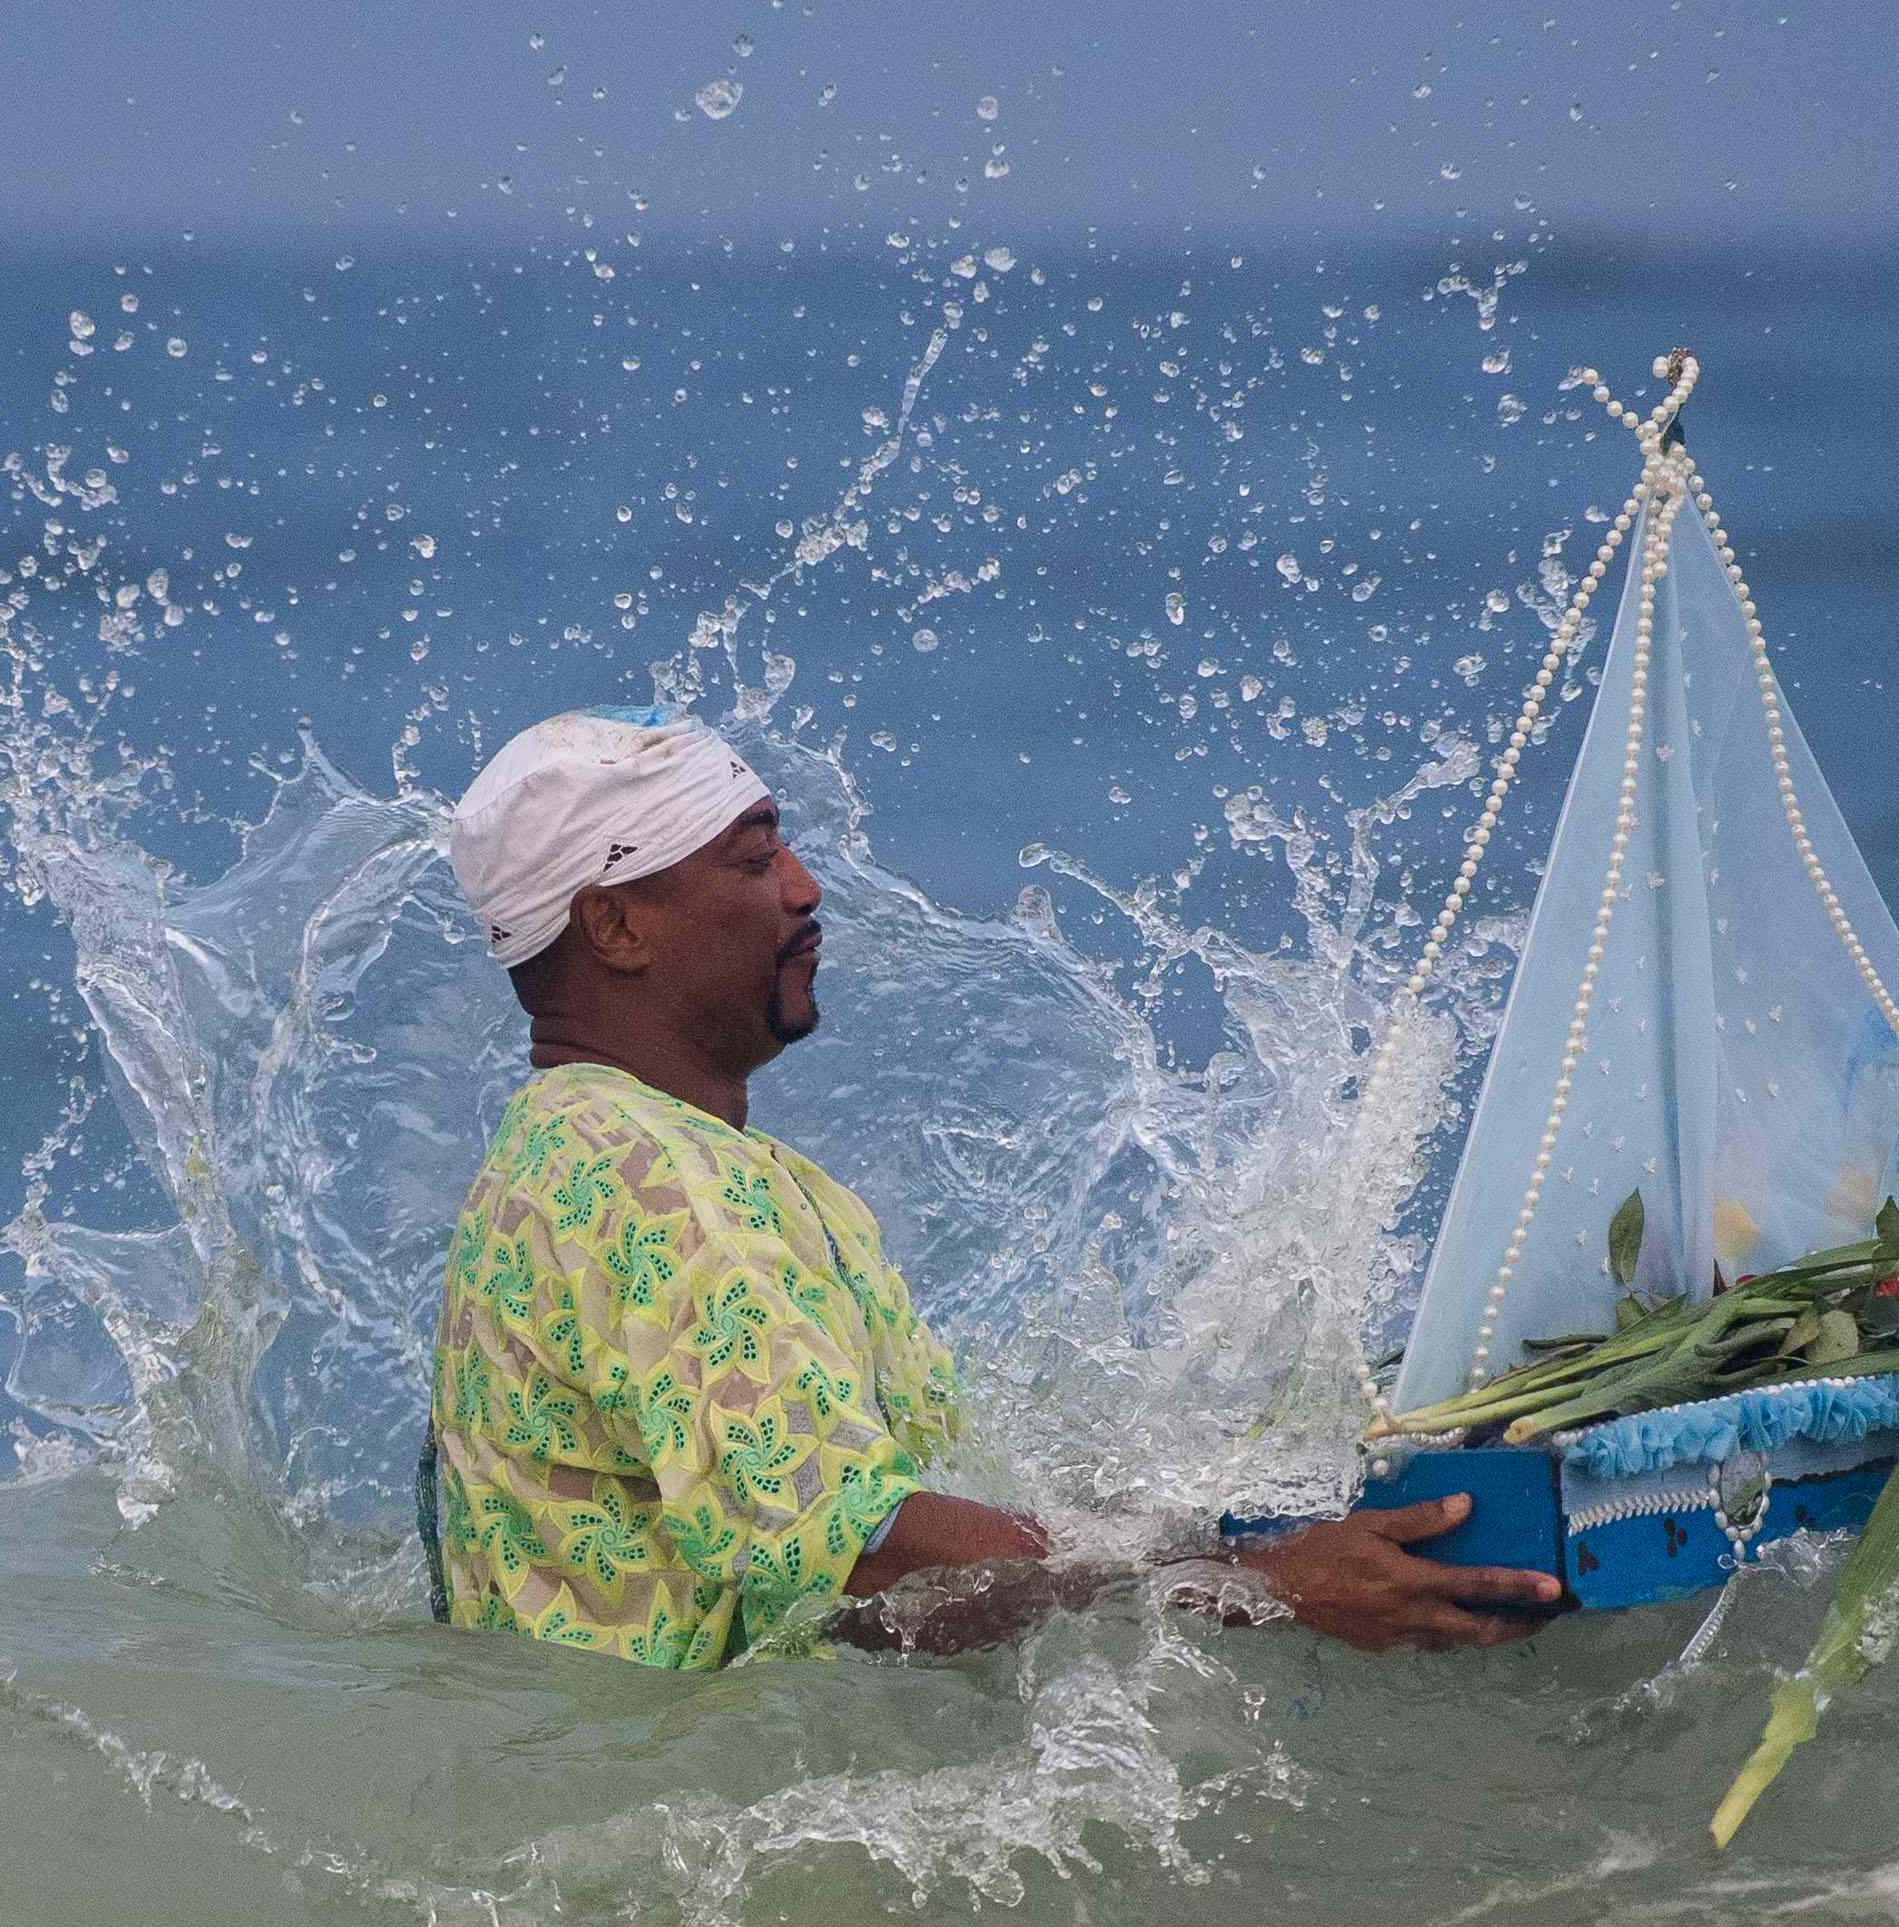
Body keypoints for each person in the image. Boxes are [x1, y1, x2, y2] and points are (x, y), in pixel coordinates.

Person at [421, 706, 1562, 1672]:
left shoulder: (580, 1152)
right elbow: (867, 1558)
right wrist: (1259, 1586)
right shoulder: (655, 1190)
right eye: (754, 860)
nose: (806, 891)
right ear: (615, 925)